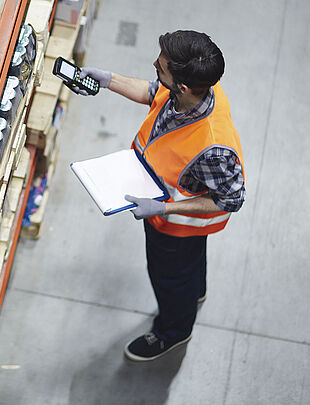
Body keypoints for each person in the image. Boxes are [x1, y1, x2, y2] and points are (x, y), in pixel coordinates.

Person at [75, 30, 245, 361]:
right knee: (189, 272)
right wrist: (109, 80)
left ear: (182, 86)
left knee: (169, 278)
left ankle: (174, 331)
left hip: (176, 227)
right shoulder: (197, 89)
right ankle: (194, 291)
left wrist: (164, 208)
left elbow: (232, 198)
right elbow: (155, 92)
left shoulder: (213, 147)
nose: (155, 64)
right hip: (172, 220)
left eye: (161, 66)